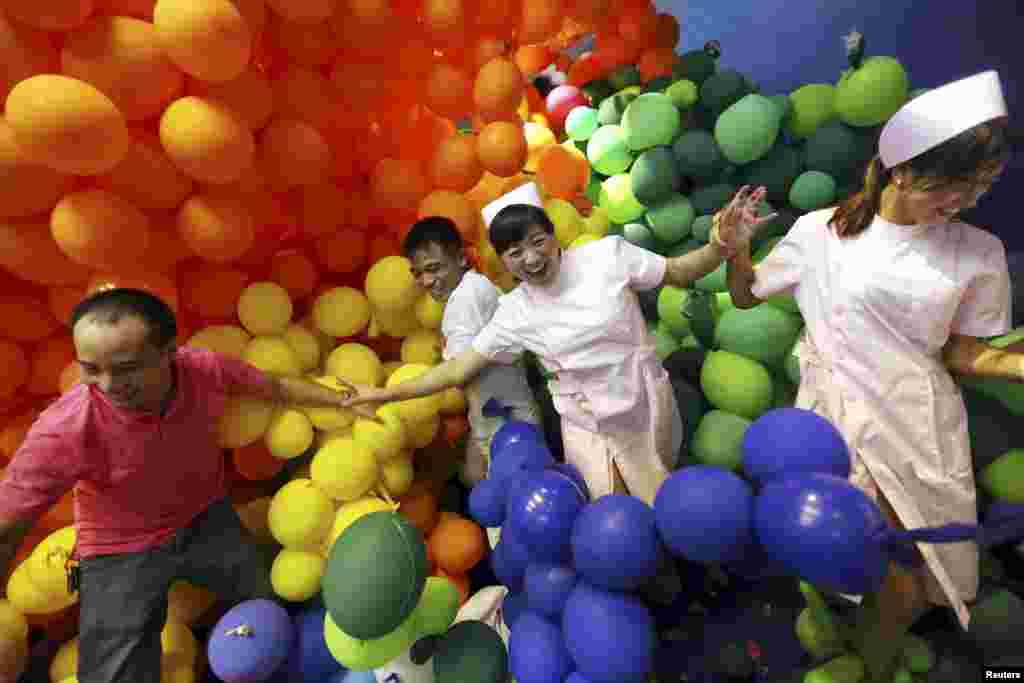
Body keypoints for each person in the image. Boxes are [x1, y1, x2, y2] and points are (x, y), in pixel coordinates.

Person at [723, 70, 1019, 682]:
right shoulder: (820, 233)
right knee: (861, 569)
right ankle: (861, 660)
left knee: (926, 577)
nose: (964, 203)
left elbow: (965, 355)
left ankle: (867, 661)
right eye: (955, 185)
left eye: (981, 187)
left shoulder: (979, 253)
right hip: (834, 426)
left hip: (920, 423)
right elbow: (747, 297)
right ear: (904, 170)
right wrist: (735, 251)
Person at [0, 288, 370, 683]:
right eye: (90, 369)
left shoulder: (202, 369)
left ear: (168, 352)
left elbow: (272, 386)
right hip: (118, 548)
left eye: (125, 368)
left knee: (265, 611)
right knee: (111, 675)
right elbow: (9, 519)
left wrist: (341, 400)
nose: (107, 385)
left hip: (206, 520)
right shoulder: (64, 428)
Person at [340, 181, 769, 508]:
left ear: (553, 235)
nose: (529, 258)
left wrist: (718, 246)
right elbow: (456, 370)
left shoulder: (607, 256)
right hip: (585, 425)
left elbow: (678, 271)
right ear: (502, 262)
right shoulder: (514, 310)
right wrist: (384, 394)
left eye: (536, 241)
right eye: (512, 252)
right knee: (611, 516)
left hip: (642, 404)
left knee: (666, 495)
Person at [403, 216, 543, 490]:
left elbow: (457, 373)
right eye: (418, 273)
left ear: (462, 258)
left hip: (507, 431)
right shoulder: (478, 287)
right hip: (508, 419)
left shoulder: (463, 301)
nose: (426, 281)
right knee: (476, 481)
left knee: (510, 512)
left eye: (434, 268)